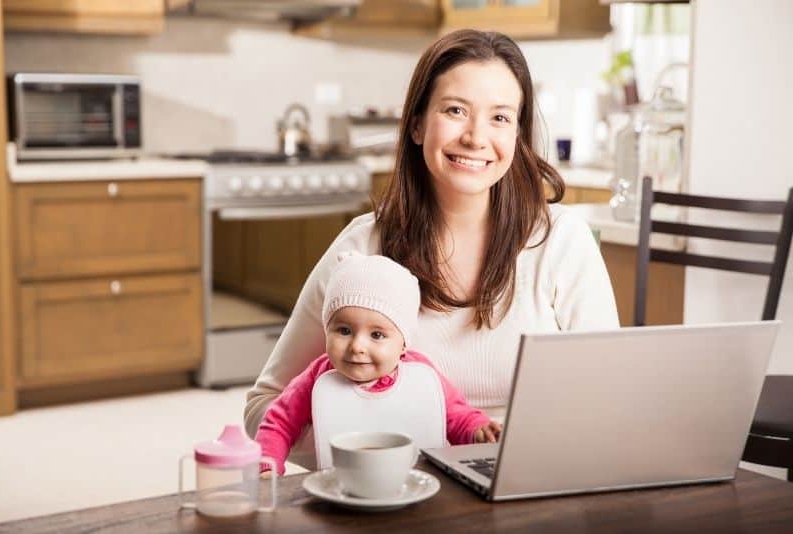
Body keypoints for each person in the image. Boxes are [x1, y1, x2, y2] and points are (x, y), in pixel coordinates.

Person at [245, 29, 619, 467]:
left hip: (527, 475)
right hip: (398, 488)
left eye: (500, 117)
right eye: (456, 110)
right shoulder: (364, 247)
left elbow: (608, 398)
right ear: (418, 123)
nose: (476, 138)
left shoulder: (561, 241)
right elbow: (263, 408)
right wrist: (376, 450)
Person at [256, 252, 501, 475]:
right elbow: (279, 422)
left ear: (403, 343)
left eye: (376, 335)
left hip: (418, 483)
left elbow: (455, 415)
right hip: (342, 486)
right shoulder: (317, 377)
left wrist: (477, 430)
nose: (357, 346)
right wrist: (267, 464)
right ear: (326, 330)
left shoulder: (421, 375)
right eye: (344, 330)